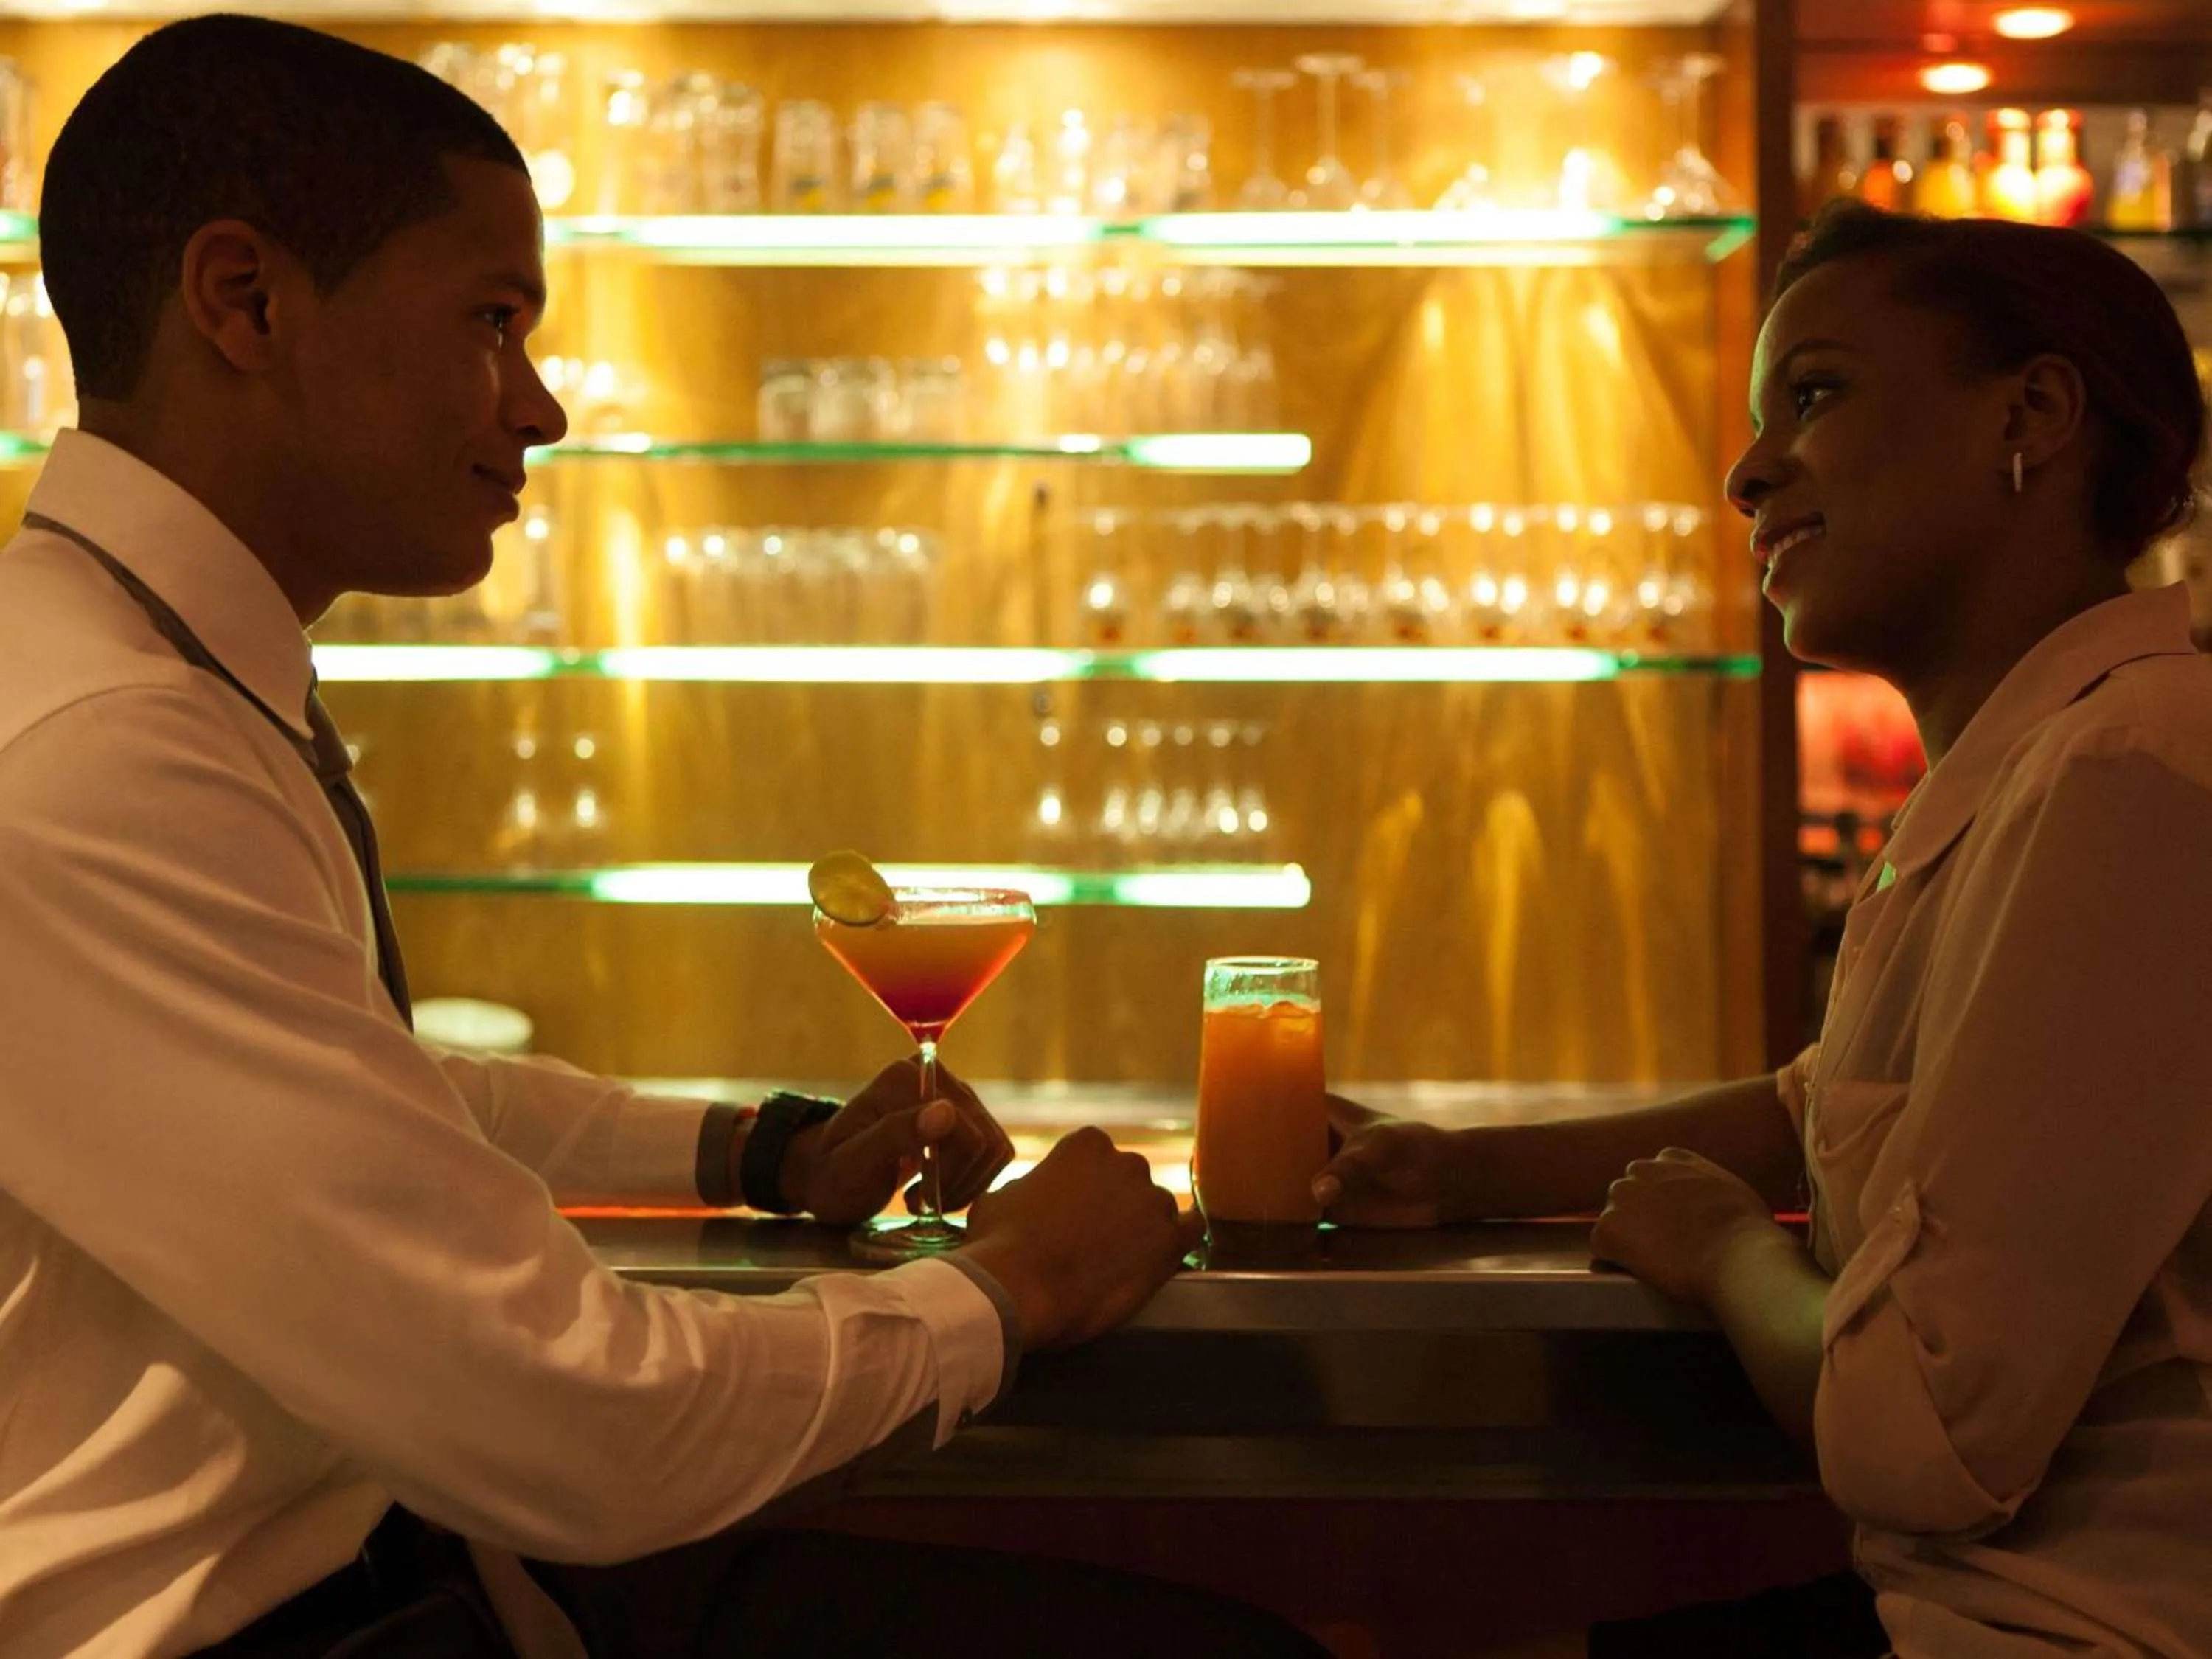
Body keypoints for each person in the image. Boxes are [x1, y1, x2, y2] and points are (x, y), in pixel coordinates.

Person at [0, 18, 1328, 1659]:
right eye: (493, 323)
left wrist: (754, 1149)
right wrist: (1007, 1290)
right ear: (244, 301)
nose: (541, 408)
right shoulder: (97, 747)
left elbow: (348, 1084)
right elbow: (574, 1420)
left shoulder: (138, 674)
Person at [1320, 200, 2212, 1658]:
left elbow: (1921, 1440)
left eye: (1816, 394)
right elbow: (1834, 1105)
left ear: (2035, 414)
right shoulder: (2037, 766)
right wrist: (1456, 1172)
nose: (1745, 474)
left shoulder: (2137, 771)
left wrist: (1728, 1250)